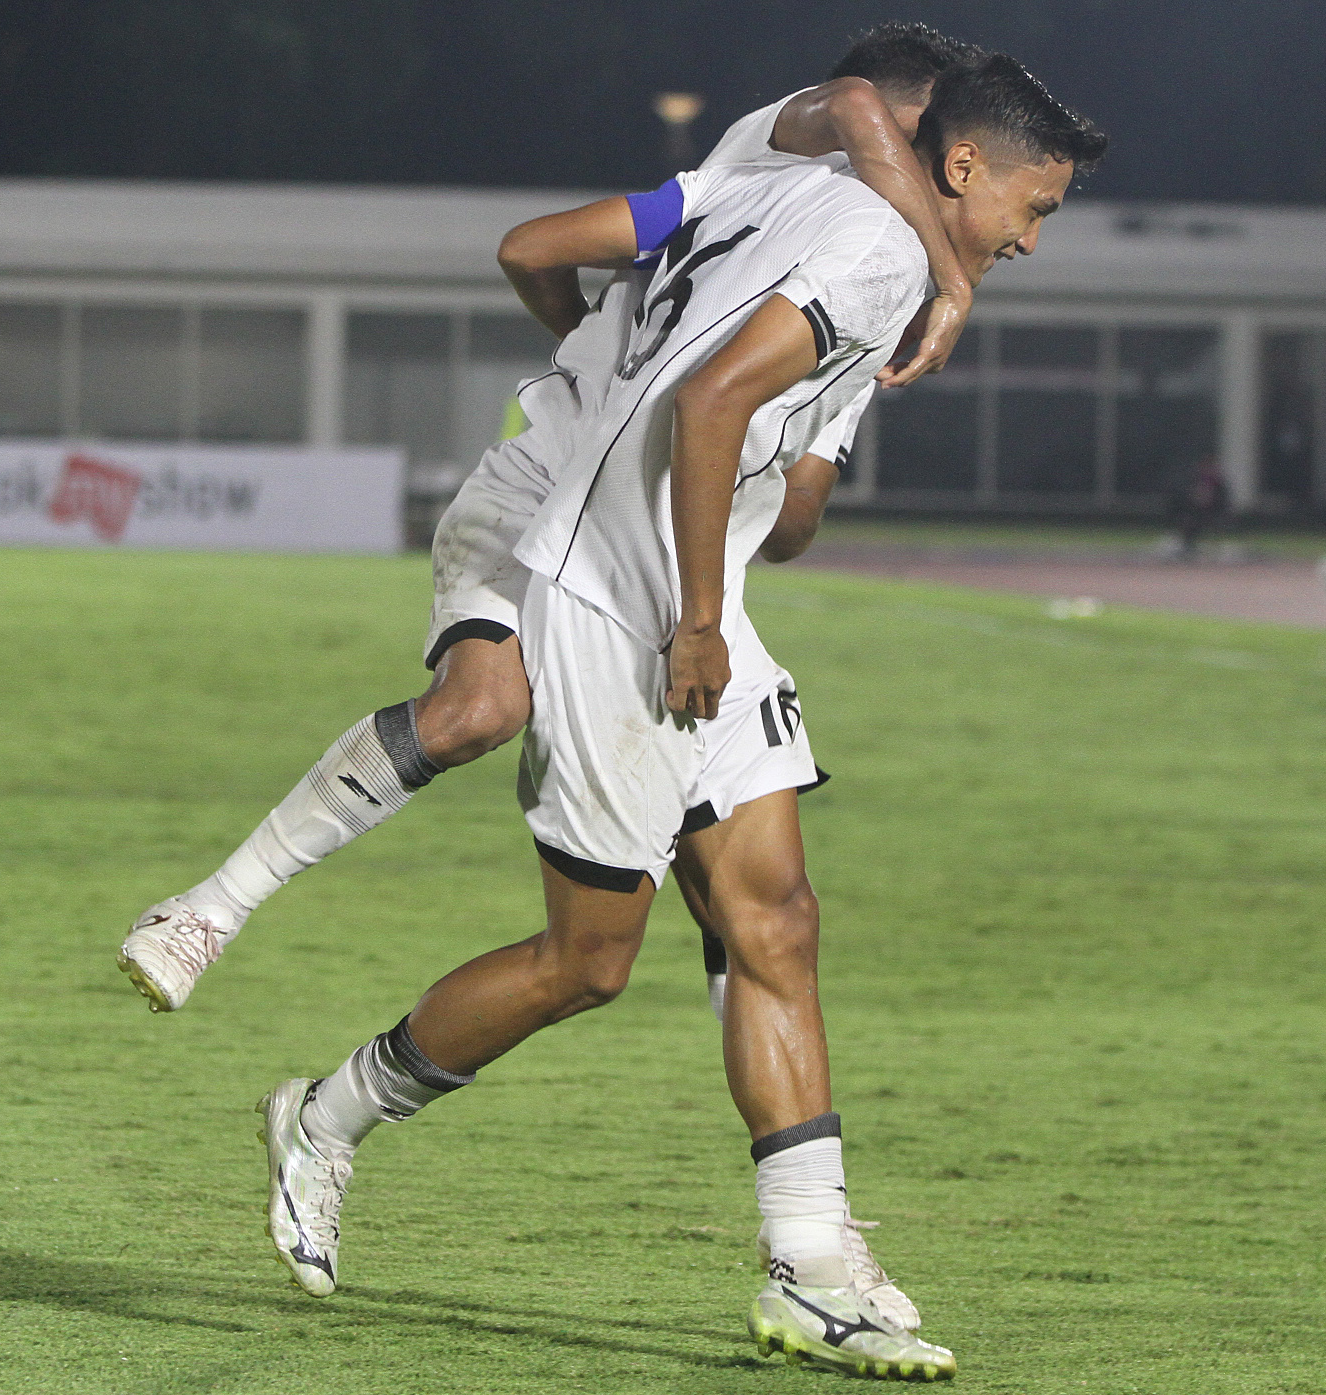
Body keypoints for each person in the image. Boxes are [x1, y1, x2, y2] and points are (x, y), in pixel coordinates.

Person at [255, 57, 1099, 1380]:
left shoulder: (848, 228)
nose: (1028, 241)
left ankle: (808, 1257)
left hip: (695, 602)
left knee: (772, 915)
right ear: (958, 164)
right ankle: (327, 1111)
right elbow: (705, 397)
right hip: (624, 603)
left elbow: (780, 470)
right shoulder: (854, 225)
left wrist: (812, 452)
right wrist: (699, 613)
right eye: (1028, 207)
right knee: (587, 959)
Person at [122, 21, 984, 1023]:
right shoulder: (775, 168)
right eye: (924, 134)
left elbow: (536, 252)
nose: (927, 170)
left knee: (740, 886)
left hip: (654, 544)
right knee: (485, 715)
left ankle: (780, 1118)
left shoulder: (809, 241)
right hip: (562, 497)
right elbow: (850, 110)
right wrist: (945, 281)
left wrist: (654, 380)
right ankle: (209, 910)